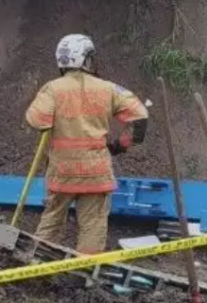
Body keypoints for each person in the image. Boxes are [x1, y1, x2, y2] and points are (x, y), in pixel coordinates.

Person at [25, 34, 149, 255]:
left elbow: (36, 120)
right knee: (93, 225)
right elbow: (140, 116)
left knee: (52, 220)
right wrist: (121, 144)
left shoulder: (52, 89)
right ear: (85, 59)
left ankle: (37, 264)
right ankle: (82, 277)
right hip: (96, 172)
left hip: (62, 172)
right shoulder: (108, 88)